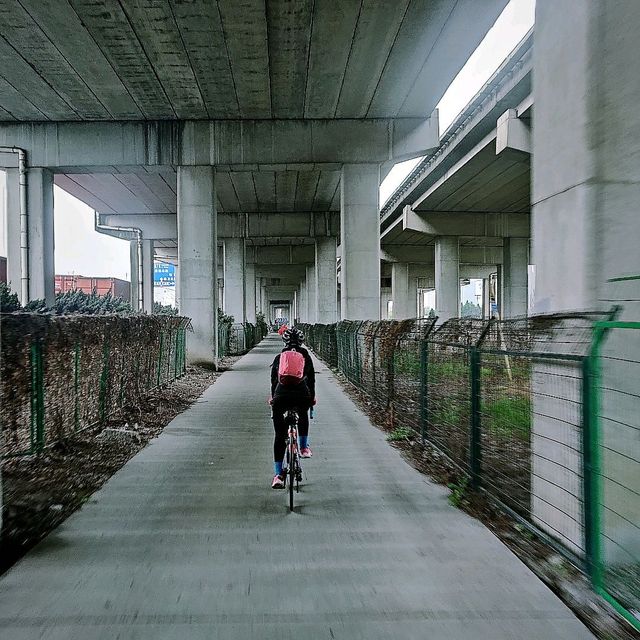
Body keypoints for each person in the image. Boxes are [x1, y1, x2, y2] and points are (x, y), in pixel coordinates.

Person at [269, 327, 315, 489]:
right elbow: (311, 381)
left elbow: (274, 382)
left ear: (285, 341)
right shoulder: (306, 357)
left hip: (281, 397)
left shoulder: (279, 357)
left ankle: (278, 475)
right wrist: (312, 400)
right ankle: (303, 447)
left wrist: (273, 399)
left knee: (279, 436)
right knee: (302, 412)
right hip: (301, 396)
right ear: (302, 341)